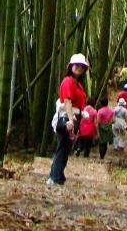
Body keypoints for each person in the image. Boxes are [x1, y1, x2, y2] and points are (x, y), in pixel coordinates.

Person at [48, 53, 89, 186]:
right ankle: (55, 177)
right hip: (66, 118)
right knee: (63, 148)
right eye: (77, 65)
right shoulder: (68, 81)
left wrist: (80, 117)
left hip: (73, 118)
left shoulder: (79, 84)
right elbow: (67, 101)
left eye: (82, 66)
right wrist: (71, 120)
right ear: (71, 66)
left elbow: (79, 103)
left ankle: (56, 174)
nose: (79, 68)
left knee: (64, 148)